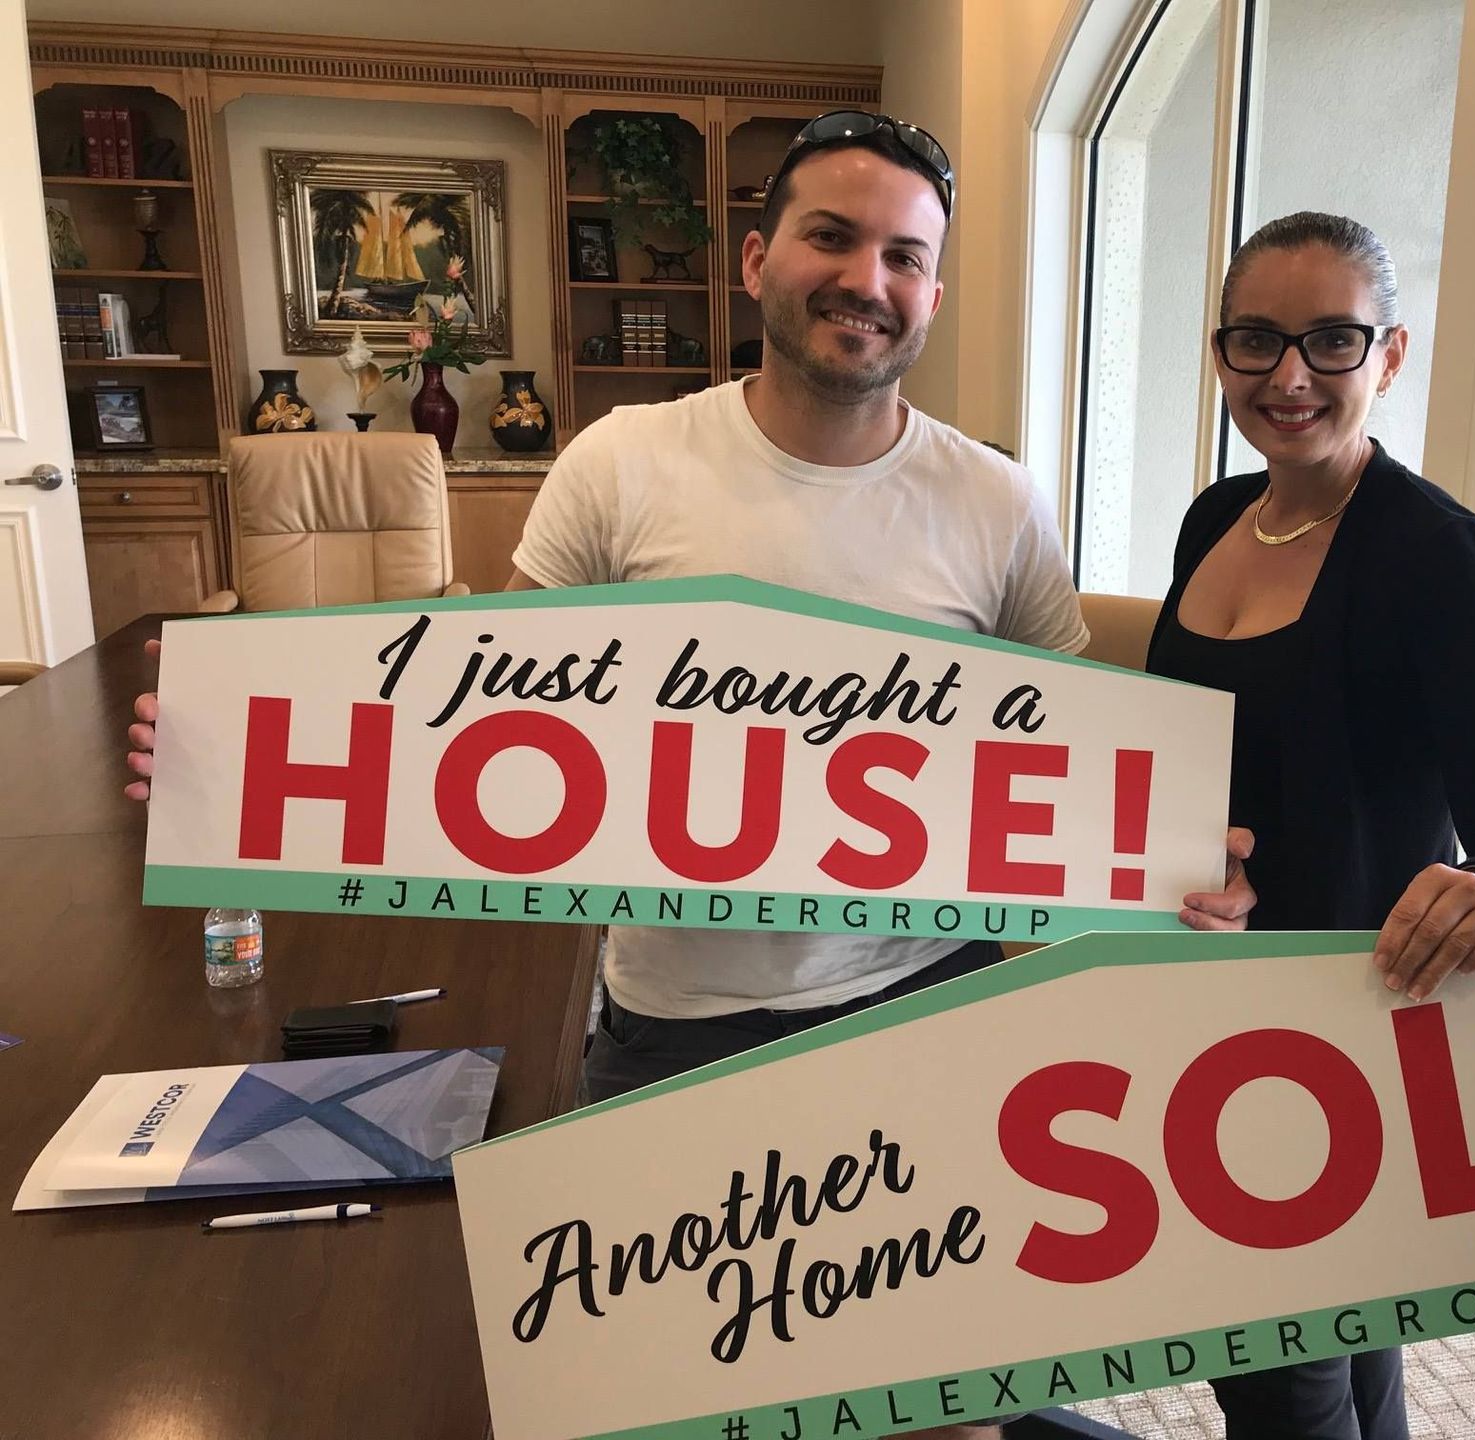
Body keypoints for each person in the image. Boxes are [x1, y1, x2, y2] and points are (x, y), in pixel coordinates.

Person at [125, 99, 1253, 1247]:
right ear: (758, 258)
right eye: (832, 236)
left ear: (932, 295)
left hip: (929, 1001)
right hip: (676, 1018)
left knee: (935, 1400)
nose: (867, 278)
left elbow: (1076, 758)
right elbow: (478, 707)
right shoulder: (622, 461)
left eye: (905, 256)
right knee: (672, 1385)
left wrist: (1173, 867)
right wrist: (241, 745)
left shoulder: (997, 500)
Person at [1144, 211, 1475, 1440]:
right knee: (1341, 1358)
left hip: (1348, 1034)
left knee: (1279, 1368)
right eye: (1258, 340)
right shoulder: (1214, 518)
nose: (1289, 375)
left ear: (1388, 356)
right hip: (1213, 1006)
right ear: (1222, 352)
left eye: (1330, 341)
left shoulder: (1433, 556)